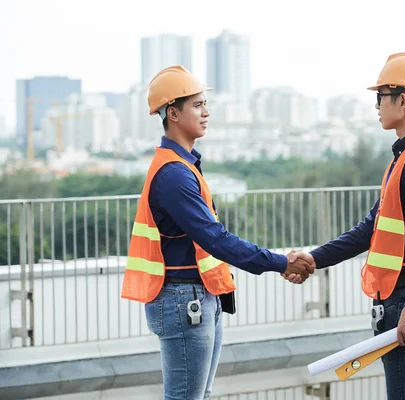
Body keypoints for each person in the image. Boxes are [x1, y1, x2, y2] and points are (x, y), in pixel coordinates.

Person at [120, 65, 314, 400]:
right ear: (173, 113)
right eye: (197, 105)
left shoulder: (184, 167)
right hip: (184, 301)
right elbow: (217, 240)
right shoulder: (174, 176)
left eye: (205, 103)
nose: (206, 112)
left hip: (199, 298)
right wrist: (282, 262)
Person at [284, 53, 405, 399]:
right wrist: (315, 259)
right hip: (398, 299)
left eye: (380, 97)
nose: (377, 105)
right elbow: (370, 230)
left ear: (403, 100)